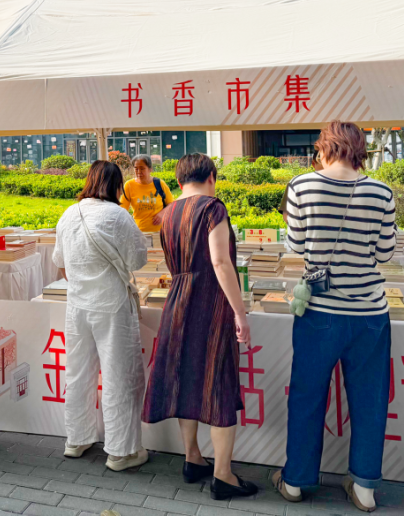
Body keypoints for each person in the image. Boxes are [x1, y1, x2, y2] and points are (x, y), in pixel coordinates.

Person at [275, 121, 397, 513]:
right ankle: (364, 488)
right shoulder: (381, 192)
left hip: (319, 312)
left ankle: (296, 481)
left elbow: (295, 246)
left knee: (308, 395)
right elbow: (385, 254)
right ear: (360, 150)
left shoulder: (301, 186)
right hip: (370, 314)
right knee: (370, 399)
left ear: (324, 147)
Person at [142, 154, 256, 499]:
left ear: (179, 182)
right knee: (218, 382)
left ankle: (192, 458)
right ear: (211, 177)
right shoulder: (212, 208)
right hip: (210, 302)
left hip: (177, 299)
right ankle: (223, 475)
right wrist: (239, 312)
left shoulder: (168, 213)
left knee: (185, 378)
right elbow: (220, 262)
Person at [53, 160, 148, 471]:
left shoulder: (69, 214)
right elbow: (138, 259)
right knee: (119, 376)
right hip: (112, 306)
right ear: (116, 185)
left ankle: (76, 439)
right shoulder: (118, 215)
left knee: (78, 373)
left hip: (77, 305)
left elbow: (61, 264)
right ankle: (121, 452)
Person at [120, 155, 174, 241]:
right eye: (136, 168)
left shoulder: (160, 184)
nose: (139, 172)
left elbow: (172, 204)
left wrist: (162, 214)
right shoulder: (129, 185)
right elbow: (122, 210)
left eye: (142, 168)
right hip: (138, 233)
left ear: (150, 169)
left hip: (160, 232)